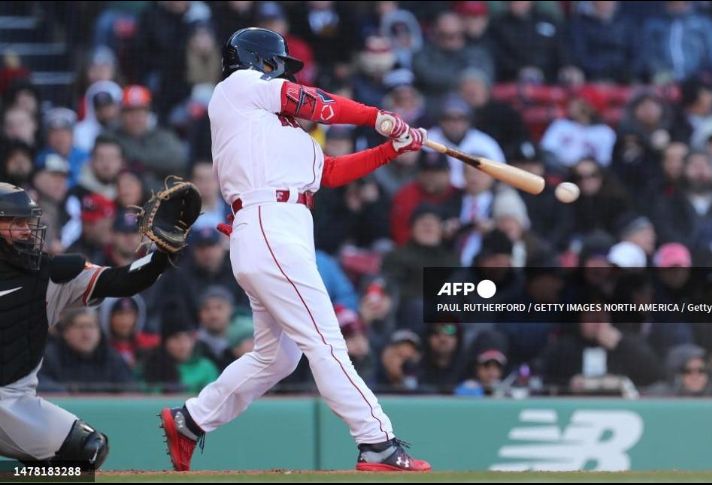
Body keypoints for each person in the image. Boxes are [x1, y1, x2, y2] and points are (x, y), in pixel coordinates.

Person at [159, 28, 431, 473]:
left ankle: (192, 420)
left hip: (279, 229)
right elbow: (314, 102)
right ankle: (377, 442)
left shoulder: (275, 129)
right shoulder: (238, 88)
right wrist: (376, 116)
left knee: (276, 357)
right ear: (260, 61)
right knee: (325, 342)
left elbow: (328, 172)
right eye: (278, 65)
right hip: (269, 223)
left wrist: (390, 149)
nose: (283, 73)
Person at [0, 182, 183, 468]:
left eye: (27, 221)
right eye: (14, 222)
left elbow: (122, 280)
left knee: (88, 449)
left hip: (13, 401)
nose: (26, 229)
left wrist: (161, 256)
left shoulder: (50, 273)